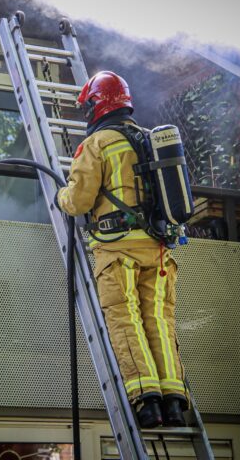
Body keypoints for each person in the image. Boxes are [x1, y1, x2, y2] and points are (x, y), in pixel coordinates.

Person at [55, 71, 188, 428]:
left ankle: (146, 400)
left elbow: (80, 200)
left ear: (97, 105)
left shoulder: (99, 143)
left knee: (124, 317)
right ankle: (174, 399)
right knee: (159, 320)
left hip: (117, 251)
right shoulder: (148, 139)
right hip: (159, 248)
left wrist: (60, 195)